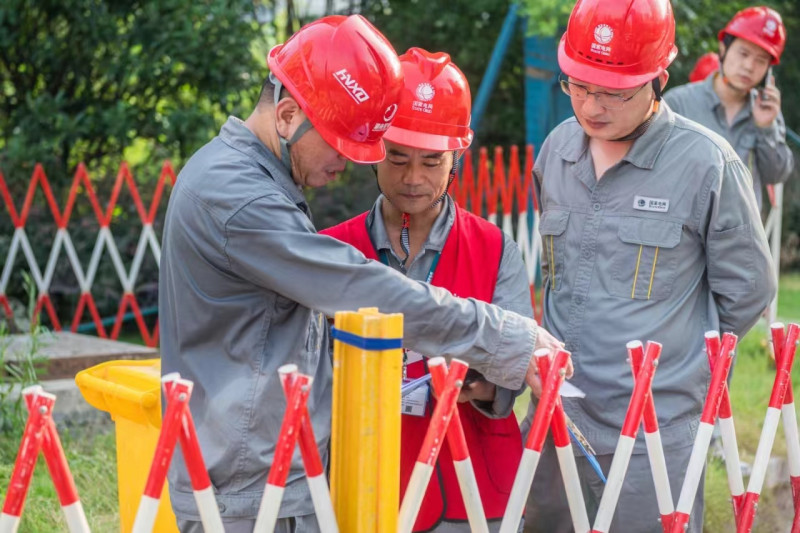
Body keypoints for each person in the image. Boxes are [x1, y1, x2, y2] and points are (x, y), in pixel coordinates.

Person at [159, 15, 561, 533]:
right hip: (249, 484)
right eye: (342, 144)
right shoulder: (242, 200)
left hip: (265, 471)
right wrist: (504, 337)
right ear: (286, 116)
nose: (346, 164)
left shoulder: (249, 182)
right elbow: (361, 288)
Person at [522, 0, 776, 532]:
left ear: (658, 80)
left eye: (614, 92)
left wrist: (685, 368)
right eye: (579, 85)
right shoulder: (557, 150)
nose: (592, 106)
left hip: (653, 433)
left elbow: (747, 289)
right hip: (558, 415)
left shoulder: (706, 162)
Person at [322, 48, 529, 533]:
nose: (413, 178)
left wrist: (485, 384)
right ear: (374, 150)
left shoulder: (495, 248)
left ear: (457, 155)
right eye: (397, 158)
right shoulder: (331, 252)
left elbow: (516, 355)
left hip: (474, 487)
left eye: (432, 161)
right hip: (365, 479)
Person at [665, 6, 793, 209]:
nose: (749, 66)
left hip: (740, 236)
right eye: (743, 54)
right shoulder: (678, 103)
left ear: (768, 71)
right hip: (685, 233)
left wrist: (765, 127)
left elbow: (776, 174)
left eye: (760, 61)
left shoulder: (767, 112)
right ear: (723, 49)